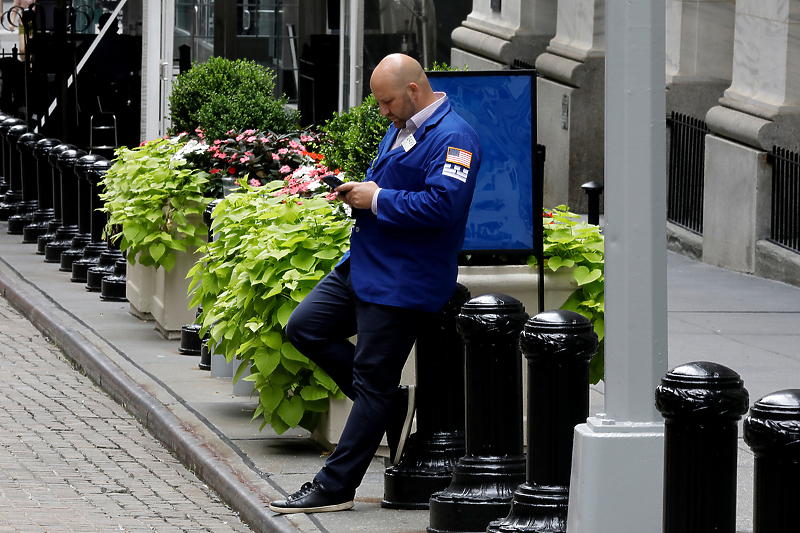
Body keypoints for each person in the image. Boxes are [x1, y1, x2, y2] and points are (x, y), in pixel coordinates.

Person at [270, 53, 482, 514]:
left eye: (386, 102)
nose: (382, 111)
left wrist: (378, 197)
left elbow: (443, 207)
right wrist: (361, 194)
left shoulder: (454, 136)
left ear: (412, 90)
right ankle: (387, 405)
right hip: (365, 264)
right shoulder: (405, 124)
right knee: (305, 327)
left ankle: (335, 487)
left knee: (371, 381)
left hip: (405, 279)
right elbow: (396, 187)